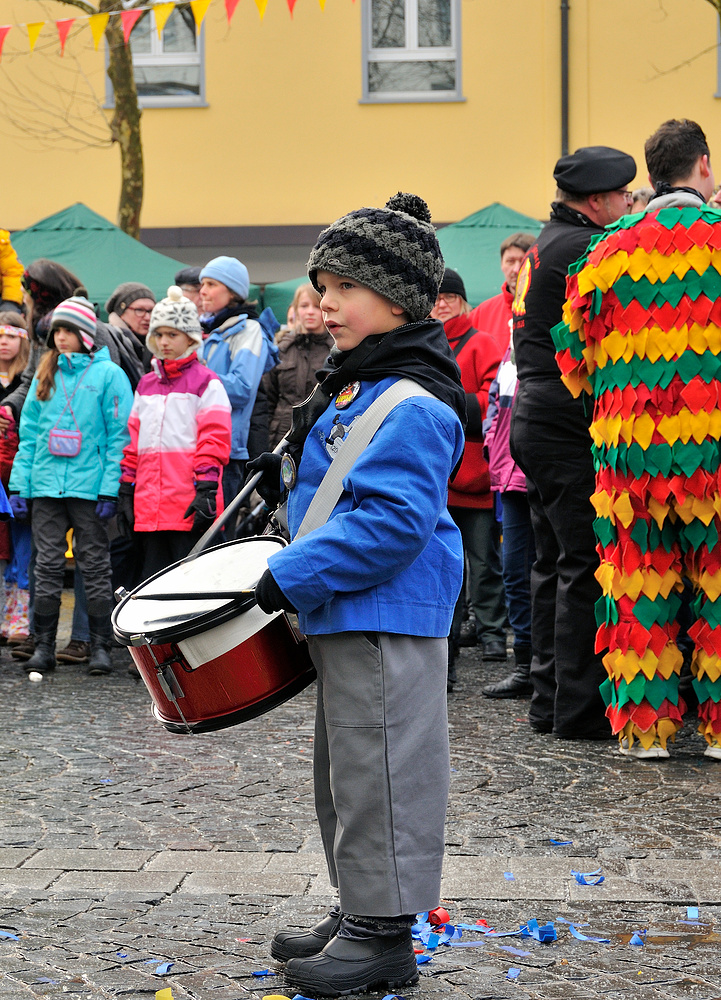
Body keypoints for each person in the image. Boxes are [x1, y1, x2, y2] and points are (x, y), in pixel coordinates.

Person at [249, 193, 465, 996]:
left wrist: (288, 574)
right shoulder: (360, 384)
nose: (324, 303)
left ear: (396, 299)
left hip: (385, 609)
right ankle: (360, 907)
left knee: (384, 771)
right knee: (347, 771)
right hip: (346, 608)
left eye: (342, 287)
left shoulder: (412, 399)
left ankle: (383, 935)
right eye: (322, 285)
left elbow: (392, 526)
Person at [553, 119, 721, 760]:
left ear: (650, 176)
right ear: (702, 166)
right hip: (713, 450)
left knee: (637, 581)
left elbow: (574, 357)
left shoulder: (605, 251)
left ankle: (644, 733)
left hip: (632, 450)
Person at [509, 145, 636, 740]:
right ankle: (579, 711)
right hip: (562, 415)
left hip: (533, 414)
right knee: (582, 562)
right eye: (623, 197)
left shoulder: (545, 241)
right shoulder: (583, 246)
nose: (629, 205)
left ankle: (548, 701)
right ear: (597, 201)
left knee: (550, 561)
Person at [0, 260, 123, 665]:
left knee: (94, 566)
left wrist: (110, 487)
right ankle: (43, 645)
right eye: (57, 332)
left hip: (90, 488)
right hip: (46, 485)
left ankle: (100, 646)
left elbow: (117, 436)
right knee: (47, 566)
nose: (62, 338)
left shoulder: (109, 376)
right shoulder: (44, 373)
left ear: (86, 335)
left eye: (69, 331)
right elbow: (30, 436)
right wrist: (20, 485)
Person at [118, 286, 232, 579]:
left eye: (172, 334)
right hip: (149, 506)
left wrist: (206, 487)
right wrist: (126, 486)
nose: (164, 342)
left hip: (188, 503)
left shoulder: (207, 383)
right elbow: (133, 444)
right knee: (151, 584)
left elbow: (214, 439)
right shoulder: (145, 385)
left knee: (191, 584)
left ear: (190, 338)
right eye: (159, 334)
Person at [430, 268, 506, 689]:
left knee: (483, 563)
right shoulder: (426, 345)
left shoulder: (481, 343)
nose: (442, 303)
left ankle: (493, 635)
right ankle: (449, 644)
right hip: (441, 478)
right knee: (448, 567)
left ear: (462, 302)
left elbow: (492, 400)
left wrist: (450, 404)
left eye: (450, 297)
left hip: (476, 476)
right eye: (436, 297)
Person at [197, 256, 278, 517]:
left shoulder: (250, 330)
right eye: (202, 284)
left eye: (211, 284)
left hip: (226, 451)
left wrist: (194, 378)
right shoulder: (203, 329)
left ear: (233, 292)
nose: (203, 291)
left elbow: (242, 389)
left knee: (216, 537)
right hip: (195, 448)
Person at [481, 336, 535, 698]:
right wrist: (490, 443)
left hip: (543, 473)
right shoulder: (510, 351)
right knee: (515, 573)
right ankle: (527, 667)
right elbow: (494, 406)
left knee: (552, 575)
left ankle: (552, 666)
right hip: (510, 478)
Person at [264, 283, 333, 450]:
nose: (310, 311)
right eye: (304, 306)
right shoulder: (281, 349)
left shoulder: (335, 351)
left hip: (319, 439)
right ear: (295, 310)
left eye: (316, 306)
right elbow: (266, 400)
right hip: (280, 439)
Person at [0, 314, 30, 645]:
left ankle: (20, 617)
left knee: (23, 546)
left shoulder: (28, 380)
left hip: (20, 474)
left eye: (11, 335)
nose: (4, 342)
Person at [468, 232, 537, 352]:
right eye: (510, 261)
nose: (516, 269)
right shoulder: (481, 314)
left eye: (522, 261)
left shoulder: (550, 308)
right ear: (501, 265)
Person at [105, 281, 157, 375]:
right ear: (121, 313)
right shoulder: (108, 342)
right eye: (139, 310)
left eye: (151, 311)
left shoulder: (161, 343)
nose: (147, 317)